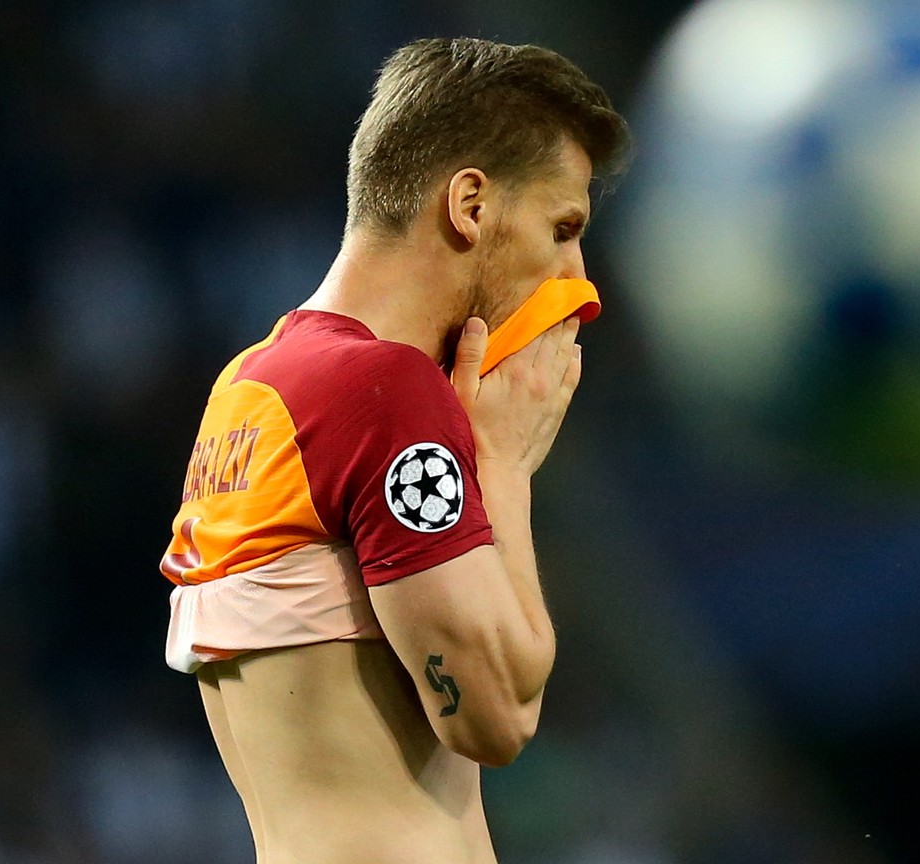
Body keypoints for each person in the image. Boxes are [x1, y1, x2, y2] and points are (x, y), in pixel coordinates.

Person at [157, 37, 630, 864]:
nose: (576, 275)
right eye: (562, 228)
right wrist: (504, 466)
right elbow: (495, 714)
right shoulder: (380, 390)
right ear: (471, 205)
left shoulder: (249, 387)